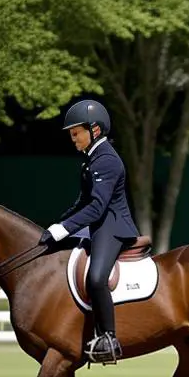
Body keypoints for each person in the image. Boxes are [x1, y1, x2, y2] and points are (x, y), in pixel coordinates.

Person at [39, 99, 139, 363]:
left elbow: (96, 208)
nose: (73, 139)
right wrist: (59, 223)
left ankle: (109, 337)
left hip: (112, 226)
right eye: (72, 135)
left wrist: (63, 229)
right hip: (97, 223)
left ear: (94, 129)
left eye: (76, 133)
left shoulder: (106, 160)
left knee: (96, 278)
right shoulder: (90, 159)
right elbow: (82, 202)